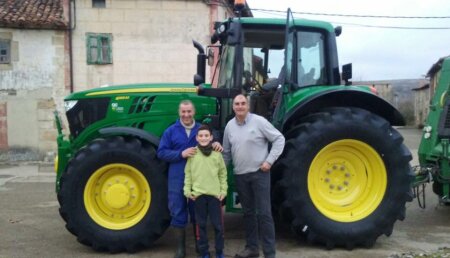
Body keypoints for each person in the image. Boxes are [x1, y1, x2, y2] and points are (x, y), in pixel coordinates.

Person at [157, 100, 222, 258]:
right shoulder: (171, 131)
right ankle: (180, 249)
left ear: (194, 112)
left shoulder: (201, 129)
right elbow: (161, 152)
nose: (186, 115)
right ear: (179, 113)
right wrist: (180, 154)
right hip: (177, 175)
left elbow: (211, 142)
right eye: (183, 112)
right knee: (177, 209)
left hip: (198, 176)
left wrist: (217, 144)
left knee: (197, 211)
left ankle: (200, 246)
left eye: (189, 112)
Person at [222, 94, 285, 258]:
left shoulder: (259, 122)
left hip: (260, 174)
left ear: (248, 106)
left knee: (264, 213)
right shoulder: (229, 126)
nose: (240, 106)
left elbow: (279, 139)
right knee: (248, 213)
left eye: (243, 103)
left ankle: (270, 253)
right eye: (237, 104)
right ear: (233, 107)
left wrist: (269, 161)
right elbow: (226, 154)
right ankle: (252, 248)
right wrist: (218, 174)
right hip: (241, 176)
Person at [184, 124, 228, 258]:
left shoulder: (217, 154)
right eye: (201, 136)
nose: (203, 138)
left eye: (206, 136)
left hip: (215, 196)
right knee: (200, 226)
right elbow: (188, 174)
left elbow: (222, 174)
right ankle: (204, 252)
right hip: (198, 197)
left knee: (218, 226)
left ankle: (220, 252)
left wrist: (223, 191)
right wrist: (187, 191)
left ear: (211, 138)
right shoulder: (193, 154)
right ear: (197, 138)